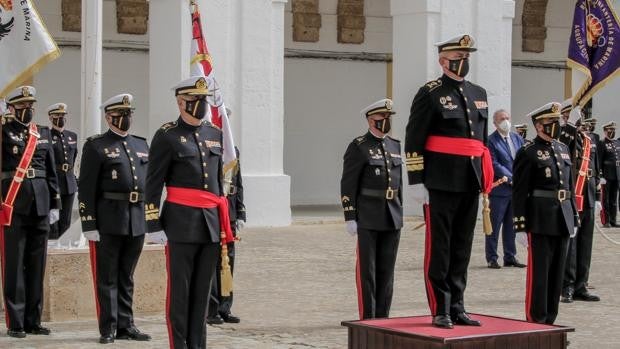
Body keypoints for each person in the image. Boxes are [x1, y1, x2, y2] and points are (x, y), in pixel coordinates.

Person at [405, 34, 489, 329]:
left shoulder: (479, 93)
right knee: (440, 247)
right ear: (443, 61)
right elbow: (414, 137)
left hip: (470, 180)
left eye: (466, 57)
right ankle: (440, 307)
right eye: (458, 57)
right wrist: (416, 180)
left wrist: (484, 175)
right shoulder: (430, 93)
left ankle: (458, 305)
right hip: (440, 181)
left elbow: (482, 141)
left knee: (462, 246)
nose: (463, 62)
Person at [145, 76, 235, 349]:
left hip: (209, 222)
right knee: (181, 293)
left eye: (204, 100)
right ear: (180, 102)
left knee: (202, 294)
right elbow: (153, 182)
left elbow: (220, 181)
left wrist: (226, 219)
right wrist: (153, 224)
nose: (201, 105)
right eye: (195, 100)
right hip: (180, 222)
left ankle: (198, 345)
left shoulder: (214, 133)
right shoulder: (167, 135)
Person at [78, 93, 151, 344]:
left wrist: (151, 219)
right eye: (120, 114)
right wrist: (89, 223)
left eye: (128, 114)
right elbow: (86, 187)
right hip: (109, 219)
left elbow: (148, 184)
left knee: (127, 276)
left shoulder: (141, 145)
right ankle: (108, 327)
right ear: (108, 117)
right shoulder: (96, 146)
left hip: (136, 218)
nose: (125, 118)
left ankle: (126, 324)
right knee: (107, 276)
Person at [0, 86, 60, 338]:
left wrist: (55, 203)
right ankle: (16, 322)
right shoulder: (3, 132)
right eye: (22, 106)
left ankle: (33, 320)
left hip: (41, 202)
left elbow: (51, 169)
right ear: (11, 108)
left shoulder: (42, 133)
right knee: (14, 264)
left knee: (37, 264)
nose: (28, 110)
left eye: (31, 106)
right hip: (13, 203)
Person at [513, 102, 579, 324]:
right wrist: (520, 226)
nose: (556, 126)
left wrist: (575, 216)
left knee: (557, 274)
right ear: (539, 126)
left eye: (557, 122)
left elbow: (568, 185)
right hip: (540, 219)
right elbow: (520, 191)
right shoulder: (528, 152)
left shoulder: (563, 149)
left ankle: (550, 320)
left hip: (563, 217)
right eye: (551, 122)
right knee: (540, 276)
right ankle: (536, 321)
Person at [341, 98, 403, 320]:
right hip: (368, 215)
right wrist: (350, 215)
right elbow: (348, 183)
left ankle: (383, 315)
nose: (386, 121)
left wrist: (400, 211)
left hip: (392, 215)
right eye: (381, 118)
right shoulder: (359, 146)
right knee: (369, 271)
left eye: (388, 118)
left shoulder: (395, 145)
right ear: (370, 120)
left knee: (387, 270)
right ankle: (369, 317)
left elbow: (398, 184)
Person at [207, 108, 245, 325]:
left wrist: (240, 211)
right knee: (211, 260)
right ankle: (210, 308)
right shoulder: (206, 148)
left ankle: (225, 306)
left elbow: (238, 183)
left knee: (227, 261)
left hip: (228, 212)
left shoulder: (232, 150)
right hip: (211, 211)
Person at [561, 117, 600, 303]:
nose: (582, 125)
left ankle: (581, 285)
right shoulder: (564, 138)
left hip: (589, 195)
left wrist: (598, 197)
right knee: (572, 246)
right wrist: (569, 129)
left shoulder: (590, 140)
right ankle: (567, 286)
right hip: (573, 197)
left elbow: (595, 169)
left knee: (585, 244)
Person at [486, 109, 525, 269]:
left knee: (511, 225)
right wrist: (512, 178)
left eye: (507, 118)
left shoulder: (517, 138)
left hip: (515, 191)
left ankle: (510, 256)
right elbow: (494, 164)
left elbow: (523, 159)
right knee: (494, 226)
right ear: (495, 123)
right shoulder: (491, 141)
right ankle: (492, 257)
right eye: (502, 119)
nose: (506, 121)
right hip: (500, 189)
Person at [47, 103, 78, 239]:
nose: (61, 118)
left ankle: (64, 243)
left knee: (66, 218)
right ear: (50, 117)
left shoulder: (72, 136)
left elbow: (74, 156)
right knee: (53, 218)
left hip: (69, 181)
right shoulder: (46, 135)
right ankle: (53, 242)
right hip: (54, 180)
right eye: (57, 115)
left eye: (63, 115)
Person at [599, 121, 619, 227]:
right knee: (605, 199)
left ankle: (613, 220)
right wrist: (601, 175)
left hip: (615, 175)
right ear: (605, 131)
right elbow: (599, 160)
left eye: (613, 130)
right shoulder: (602, 143)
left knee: (613, 199)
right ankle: (606, 220)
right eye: (610, 130)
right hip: (606, 175)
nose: (612, 131)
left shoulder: (616, 143)